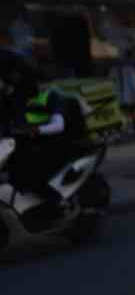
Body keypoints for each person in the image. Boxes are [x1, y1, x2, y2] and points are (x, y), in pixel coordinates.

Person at [0, 51, 79, 201]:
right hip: (23, 144)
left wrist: (36, 130)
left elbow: (59, 125)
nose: (11, 82)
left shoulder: (50, 95)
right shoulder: (14, 99)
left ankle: (57, 203)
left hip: (50, 144)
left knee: (30, 176)